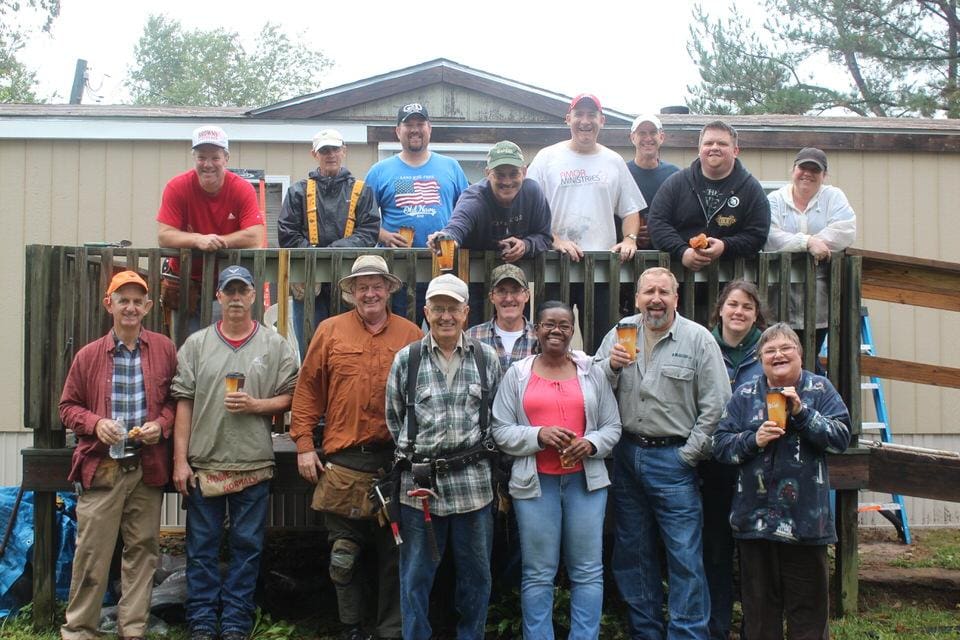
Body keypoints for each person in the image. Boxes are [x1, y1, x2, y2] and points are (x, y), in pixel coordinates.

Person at [594, 266, 730, 638]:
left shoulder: (697, 339)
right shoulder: (622, 332)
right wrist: (610, 366)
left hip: (673, 459)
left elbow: (717, 405)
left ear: (676, 298)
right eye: (648, 291)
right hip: (626, 455)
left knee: (684, 556)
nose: (656, 299)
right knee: (632, 554)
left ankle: (687, 634)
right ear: (636, 298)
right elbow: (591, 385)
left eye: (663, 292)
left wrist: (689, 455)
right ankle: (646, 632)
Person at [289, 256, 421, 640]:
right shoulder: (330, 332)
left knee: (396, 557)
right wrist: (302, 444)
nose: (370, 292)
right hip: (343, 463)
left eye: (377, 285)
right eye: (362, 286)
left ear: (389, 289)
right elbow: (308, 390)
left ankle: (390, 632)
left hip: (396, 465)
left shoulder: (411, 334)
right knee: (343, 559)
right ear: (351, 293)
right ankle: (351, 629)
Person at [171, 265, 299, 640]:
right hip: (204, 465)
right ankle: (201, 620)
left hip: (254, 464)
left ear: (254, 296)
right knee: (201, 549)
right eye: (230, 291)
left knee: (247, 549)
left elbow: (293, 395)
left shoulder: (274, 346)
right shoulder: (196, 345)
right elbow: (183, 403)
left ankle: (235, 622)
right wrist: (180, 460)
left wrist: (258, 406)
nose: (237, 298)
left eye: (243, 291)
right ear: (219, 297)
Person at [491, 301, 621, 639]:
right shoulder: (517, 374)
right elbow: (501, 430)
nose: (556, 330)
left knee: (588, 571)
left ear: (572, 331)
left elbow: (612, 426)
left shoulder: (590, 371)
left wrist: (591, 444)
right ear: (536, 329)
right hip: (536, 487)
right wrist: (538, 435)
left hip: (585, 484)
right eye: (549, 324)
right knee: (537, 572)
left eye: (564, 325)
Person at [59, 271, 178, 640]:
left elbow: (177, 402)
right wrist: (95, 424)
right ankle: (79, 630)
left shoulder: (163, 348)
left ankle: (133, 630)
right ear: (108, 304)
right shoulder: (89, 355)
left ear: (147, 307)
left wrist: (161, 424)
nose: (130, 307)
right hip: (103, 467)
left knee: (142, 553)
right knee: (92, 553)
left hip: (146, 469)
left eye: (137, 300)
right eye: (122, 299)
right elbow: (67, 407)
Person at [713, 323, 851, 639]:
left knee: (809, 617)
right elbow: (720, 446)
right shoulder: (745, 394)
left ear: (800, 355)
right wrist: (752, 440)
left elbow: (840, 439)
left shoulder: (819, 390)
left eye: (786, 348)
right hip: (755, 521)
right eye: (769, 351)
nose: (778, 355)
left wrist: (802, 414)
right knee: (760, 617)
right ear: (761, 360)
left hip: (806, 522)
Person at [385, 274, 502, 640]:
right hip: (419, 489)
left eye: (453, 308)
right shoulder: (408, 359)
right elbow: (394, 420)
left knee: (476, 578)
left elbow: (497, 417)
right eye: (438, 308)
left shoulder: (486, 359)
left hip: (474, 487)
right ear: (426, 312)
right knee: (416, 577)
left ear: (466, 313)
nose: (445, 316)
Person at [526, 93, 646, 350]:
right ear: (568, 118)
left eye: (591, 115)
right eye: (579, 114)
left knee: (603, 342)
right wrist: (555, 239)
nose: (585, 121)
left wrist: (629, 238)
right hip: (554, 267)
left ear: (602, 120)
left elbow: (631, 210)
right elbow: (530, 210)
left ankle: (601, 389)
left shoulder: (613, 161)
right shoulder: (546, 158)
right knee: (551, 342)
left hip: (602, 269)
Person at [702, 279, 768, 640]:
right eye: (733, 305)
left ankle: (756, 629)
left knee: (756, 555)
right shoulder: (702, 344)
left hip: (759, 466)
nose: (739, 312)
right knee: (715, 549)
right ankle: (717, 627)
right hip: (714, 465)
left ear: (756, 314)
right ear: (721, 309)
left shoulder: (768, 349)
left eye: (747, 307)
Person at [277, 129, 380, 357]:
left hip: (349, 281)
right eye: (324, 150)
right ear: (315, 154)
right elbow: (287, 234)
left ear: (344, 151)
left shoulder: (362, 191)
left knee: (350, 349)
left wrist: (330, 252)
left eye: (334, 149)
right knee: (311, 349)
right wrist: (316, 257)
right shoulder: (297, 192)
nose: (330, 154)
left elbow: (369, 232)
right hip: (307, 282)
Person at [426, 140, 552, 325]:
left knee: (518, 331)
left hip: (513, 283)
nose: (507, 181)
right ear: (487, 174)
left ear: (524, 172)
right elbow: (457, 227)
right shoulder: (474, 196)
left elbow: (545, 236)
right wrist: (445, 239)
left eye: (513, 174)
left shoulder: (533, 191)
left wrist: (526, 245)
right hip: (476, 281)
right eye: (500, 174)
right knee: (474, 336)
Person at [365, 103, 469, 323]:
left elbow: (468, 212)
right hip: (398, 271)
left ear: (429, 128)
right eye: (408, 124)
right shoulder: (380, 171)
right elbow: (361, 220)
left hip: (444, 268)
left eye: (420, 124)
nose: (415, 129)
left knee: (444, 333)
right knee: (400, 334)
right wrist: (383, 235)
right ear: (397, 131)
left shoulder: (451, 167)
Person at [156, 126, 265, 332]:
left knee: (227, 344)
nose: (208, 164)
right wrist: (198, 240)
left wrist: (217, 241)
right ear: (194, 157)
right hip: (186, 284)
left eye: (215, 157)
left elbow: (255, 236)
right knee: (186, 349)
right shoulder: (176, 187)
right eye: (201, 157)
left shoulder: (242, 188)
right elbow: (164, 235)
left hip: (229, 285)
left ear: (226, 158)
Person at [765, 147, 857, 358]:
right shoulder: (775, 200)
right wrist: (808, 242)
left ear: (824, 175)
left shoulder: (834, 197)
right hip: (778, 296)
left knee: (809, 356)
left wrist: (809, 243)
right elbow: (770, 237)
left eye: (814, 170)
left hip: (820, 299)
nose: (807, 173)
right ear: (793, 170)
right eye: (802, 167)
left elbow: (845, 230)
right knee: (779, 353)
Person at [648, 120, 770, 272]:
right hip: (679, 279)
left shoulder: (751, 189)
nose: (714, 148)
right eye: (708, 143)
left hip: (730, 283)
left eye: (722, 144)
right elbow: (657, 223)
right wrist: (682, 251)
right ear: (699, 149)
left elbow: (757, 234)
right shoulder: (676, 183)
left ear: (735, 150)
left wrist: (725, 246)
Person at [467, 264, 538, 371]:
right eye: (501, 291)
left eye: (515, 290)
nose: (509, 298)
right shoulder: (472, 337)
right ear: (491, 297)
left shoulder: (540, 337)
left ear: (527, 295)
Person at [626, 114, 680, 230]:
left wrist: (658, 233)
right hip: (626, 246)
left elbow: (682, 217)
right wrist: (631, 234)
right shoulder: (622, 173)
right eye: (642, 133)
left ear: (661, 137)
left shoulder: (675, 175)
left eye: (653, 132)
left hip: (666, 246)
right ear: (632, 137)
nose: (648, 138)